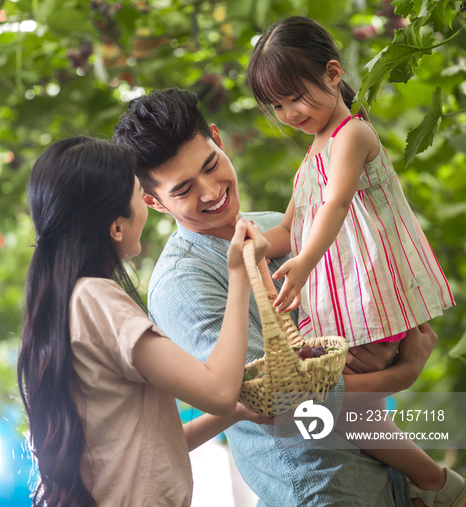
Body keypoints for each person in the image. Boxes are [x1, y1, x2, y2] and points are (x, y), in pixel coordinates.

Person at [113, 87, 440, 507]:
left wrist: (396, 343)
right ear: (152, 201)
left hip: (392, 476)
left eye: (212, 165)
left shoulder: (278, 227)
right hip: (325, 485)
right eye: (184, 189)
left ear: (218, 137)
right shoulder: (181, 285)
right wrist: (404, 373)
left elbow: (364, 318)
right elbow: (277, 403)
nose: (212, 191)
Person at [247, 15, 464, 507]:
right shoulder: (311, 157)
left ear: (331, 73)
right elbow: (289, 228)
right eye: (276, 105)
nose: (288, 113)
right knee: (337, 405)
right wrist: (250, 243)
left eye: (295, 97)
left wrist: (302, 262)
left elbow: (337, 205)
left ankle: (434, 483)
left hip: (373, 298)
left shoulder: (352, 135)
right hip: (350, 307)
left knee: (334, 405)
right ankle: (426, 481)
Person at [17, 136, 271, 507]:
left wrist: (241, 412)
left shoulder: (66, 302)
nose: (147, 207)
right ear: (116, 227)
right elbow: (218, 391)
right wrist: (238, 275)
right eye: (139, 195)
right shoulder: (96, 299)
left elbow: (150, 447)